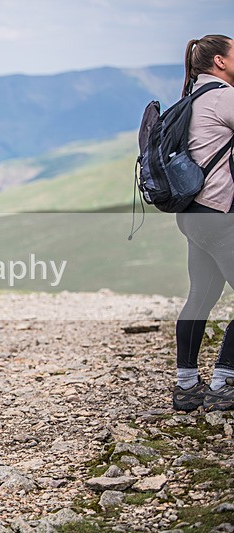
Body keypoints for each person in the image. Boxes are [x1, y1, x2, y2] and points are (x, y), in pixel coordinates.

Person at [170, 34, 234, 412]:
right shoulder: (224, 97)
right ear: (221, 63)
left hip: (193, 215)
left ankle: (187, 385)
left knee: (202, 296)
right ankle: (225, 380)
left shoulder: (190, 98)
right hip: (220, 216)